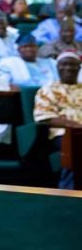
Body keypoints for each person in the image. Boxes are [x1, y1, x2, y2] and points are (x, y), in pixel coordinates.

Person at [33, 51, 82, 189]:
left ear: (79, 68)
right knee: (76, 145)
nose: (68, 68)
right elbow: (45, 117)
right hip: (62, 134)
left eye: (73, 64)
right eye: (64, 64)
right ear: (58, 67)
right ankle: (68, 192)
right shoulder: (48, 89)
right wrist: (75, 126)